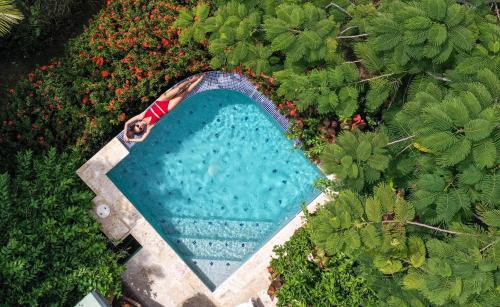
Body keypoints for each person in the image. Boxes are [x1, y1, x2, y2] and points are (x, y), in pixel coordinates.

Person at [124, 74, 206, 142]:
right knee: (185, 92)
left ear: (136, 123)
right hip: (167, 108)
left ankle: (191, 80)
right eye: (140, 129)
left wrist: (125, 134)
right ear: (142, 130)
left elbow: (126, 123)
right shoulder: (150, 126)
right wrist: (131, 139)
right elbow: (142, 139)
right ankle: (200, 79)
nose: (140, 126)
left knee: (178, 88)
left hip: (161, 101)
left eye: (137, 126)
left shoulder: (141, 116)